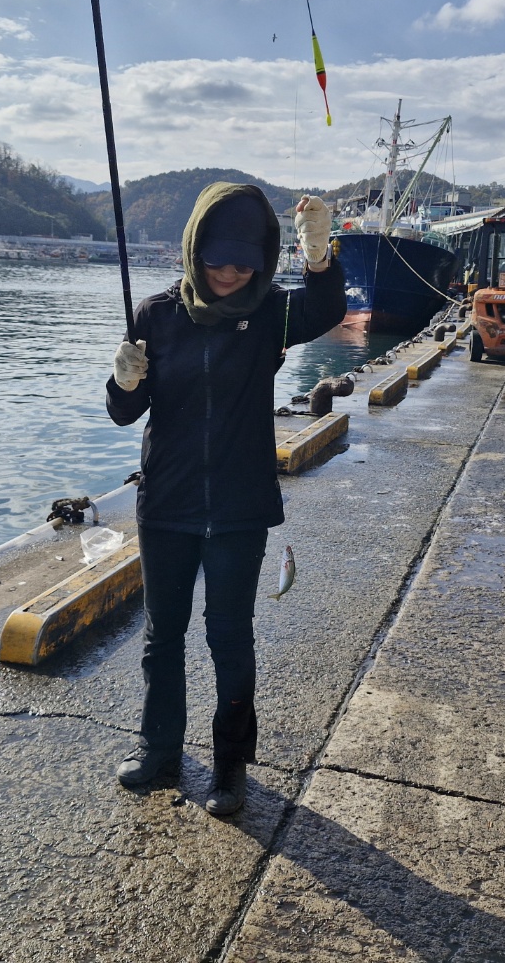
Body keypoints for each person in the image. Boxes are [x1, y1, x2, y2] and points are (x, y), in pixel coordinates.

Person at [106, 183, 346, 816]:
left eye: (245, 262)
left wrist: (318, 255)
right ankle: (159, 749)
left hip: (240, 507)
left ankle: (231, 765)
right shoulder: (155, 315)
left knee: (230, 638)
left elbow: (327, 307)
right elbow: (124, 413)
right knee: (162, 635)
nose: (232, 274)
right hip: (167, 503)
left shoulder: (271, 313)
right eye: (218, 260)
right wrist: (122, 379)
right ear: (195, 250)